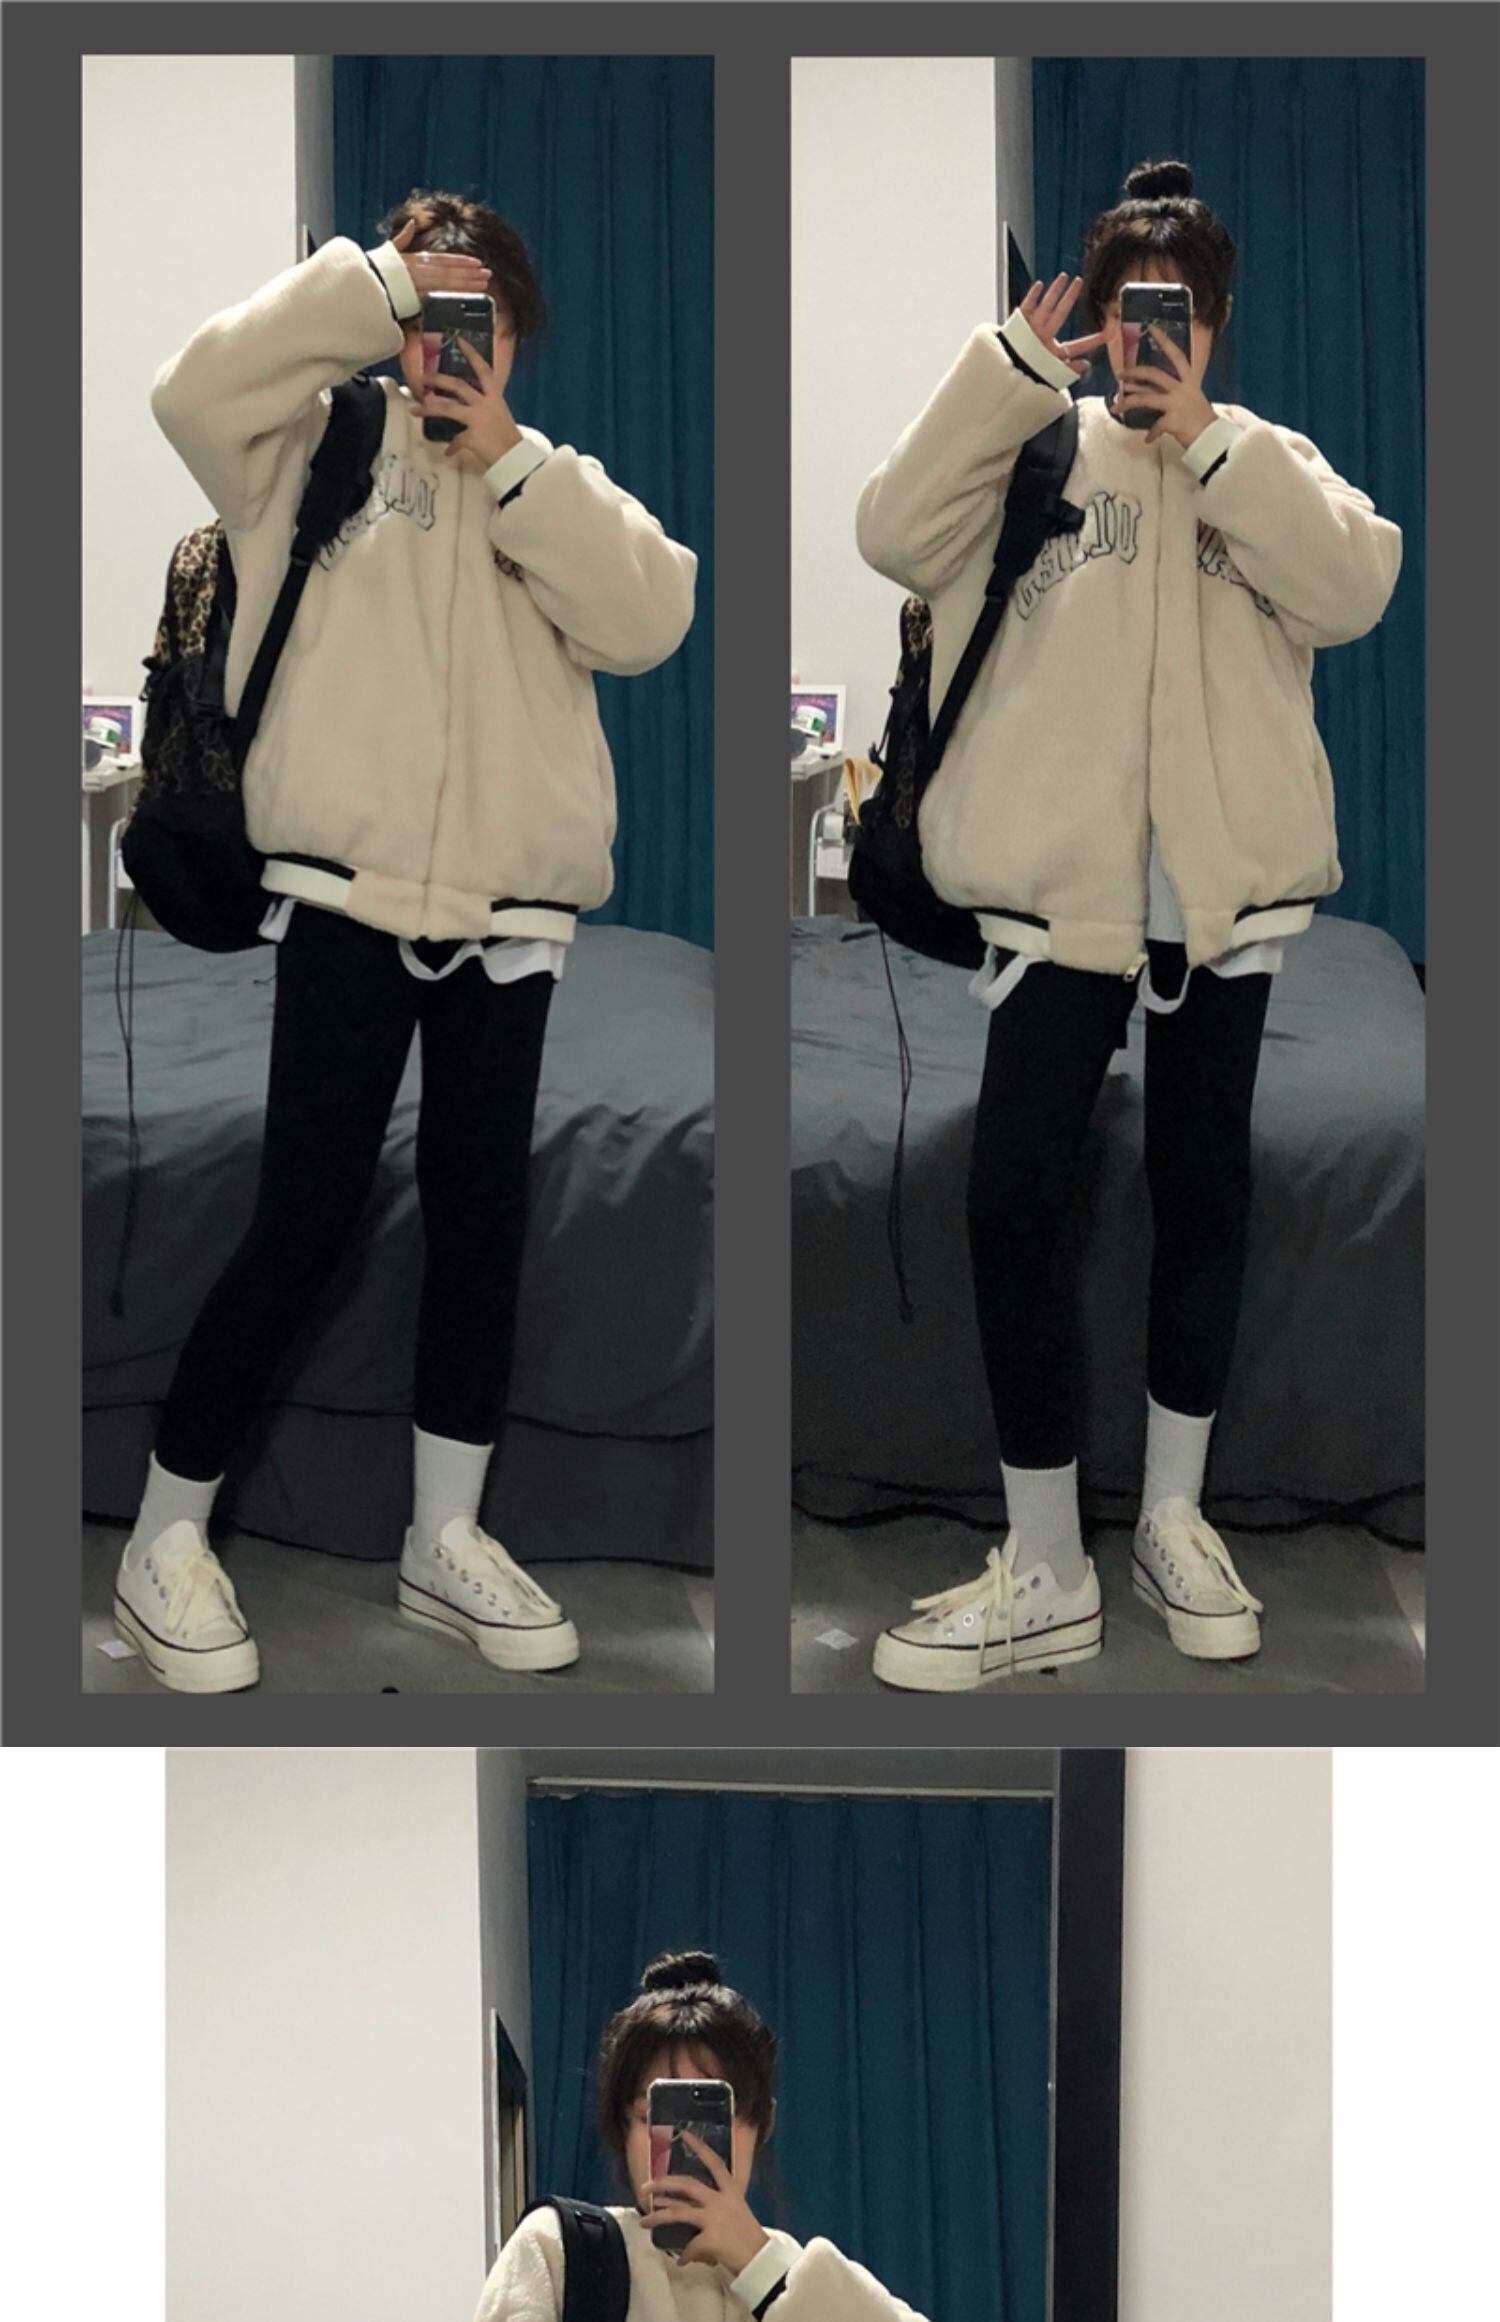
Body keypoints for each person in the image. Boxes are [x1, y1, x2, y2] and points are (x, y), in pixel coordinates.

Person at [112, 191, 697, 1692]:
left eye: (477, 307)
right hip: (347, 897)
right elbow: (188, 391)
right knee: (301, 1214)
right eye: (430, 304)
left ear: (517, 332)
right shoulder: (306, 448)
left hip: (511, 918)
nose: (452, 333)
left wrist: (508, 456)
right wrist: (375, 283)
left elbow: (652, 618)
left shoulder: (548, 484)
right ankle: (164, 1534)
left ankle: (447, 1535)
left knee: (481, 1220)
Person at [855, 159, 1402, 1689]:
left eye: (1181, 311)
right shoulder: (1034, 447)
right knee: (1008, 1197)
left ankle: (1174, 1516)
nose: (1153, 336)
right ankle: (1044, 1562)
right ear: (1092, 314)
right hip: (1059, 904)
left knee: (1201, 1187)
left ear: (1214, 323)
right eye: (1129, 308)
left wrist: (1214, 440)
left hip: (1218, 906)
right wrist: (1006, 372)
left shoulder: (1265, 461)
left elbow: (1357, 585)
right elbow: (891, 530)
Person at [475, 1950, 931, 2321]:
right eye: (655, 2116)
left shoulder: (793, 2276)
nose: (685, 2142)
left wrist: (759, 2265)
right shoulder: (560, 2253)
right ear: (621, 2128)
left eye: (713, 2117)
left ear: (763, 2125)